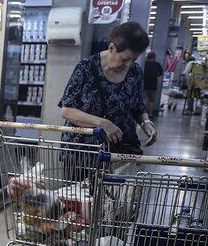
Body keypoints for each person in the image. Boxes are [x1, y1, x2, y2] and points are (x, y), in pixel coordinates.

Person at [59, 21, 156, 155]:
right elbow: (67, 111)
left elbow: (137, 105)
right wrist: (102, 123)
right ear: (111, 48)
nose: (128, 65)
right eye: (124, 59)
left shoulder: (135, 72)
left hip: (120, 150)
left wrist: (146, 122)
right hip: (83, 151)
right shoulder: (86, 68)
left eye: (133, 60)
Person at [143, 51, 163, 118]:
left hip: (145, 84)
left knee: (145, 99)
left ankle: (144, 114)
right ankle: (150, 114)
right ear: (154, 57)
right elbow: (161, 72)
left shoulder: (144, 64)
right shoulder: (157, 64)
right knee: (151, 101)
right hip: (153, 85)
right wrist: (155, 76)